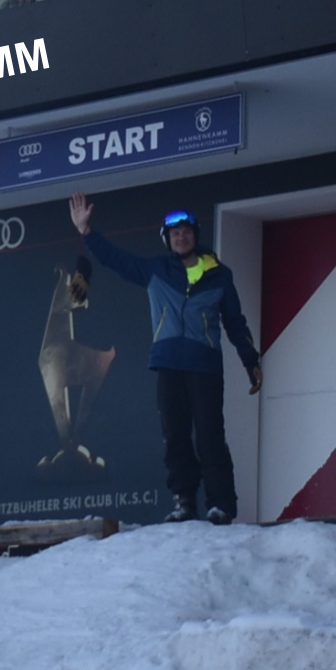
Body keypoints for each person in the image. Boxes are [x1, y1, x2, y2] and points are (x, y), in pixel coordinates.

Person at [69, 193, 263, 524]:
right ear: (167, 239)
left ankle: (221, 504)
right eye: (174, 233)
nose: (180, 237)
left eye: (185, 231)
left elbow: (235, 322)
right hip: (169, 365)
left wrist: (251, 361)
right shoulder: (156, 271)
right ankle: (184, 501)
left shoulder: (220, 275)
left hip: (205, 367)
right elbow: (116, 259)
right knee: (175, 436)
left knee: (210, 437)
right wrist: (86, 232)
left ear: (195, 236)